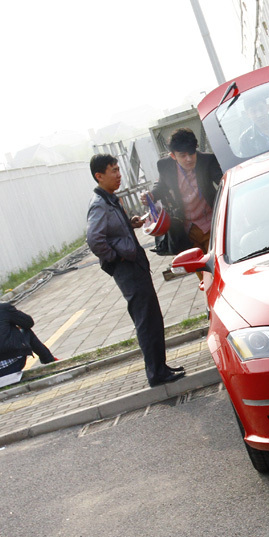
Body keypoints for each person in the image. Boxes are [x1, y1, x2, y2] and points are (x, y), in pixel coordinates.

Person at [86, 154, 184, 388]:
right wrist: (117, 256)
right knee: (145, 321)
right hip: (127, 268)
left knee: (152, 318)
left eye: (118, 169)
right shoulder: (99, 204)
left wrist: (131, 223)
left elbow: (111, 231)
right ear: (99, 176)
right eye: (113, 171)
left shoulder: (110, 199)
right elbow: (94, 240)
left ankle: (161, 367)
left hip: (134, 264)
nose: (118, 175)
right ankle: (156, 373)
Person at [150, 128, 223, 254]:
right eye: (183, 156)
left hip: (212, 224)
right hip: (186, 229)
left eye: (191, 153)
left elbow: (223, 181)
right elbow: (161, 186)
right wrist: (151, 196)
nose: (189, 159)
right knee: (200, 268)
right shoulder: (165, 166)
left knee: (216, 264)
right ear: (173, 155)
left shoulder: (207, 160)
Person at [0, 285, 59, 382]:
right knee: (26, 331)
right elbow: (28, 322)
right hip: (12, 365)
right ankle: (49, 360)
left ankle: (49, 360)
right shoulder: (2, 307)